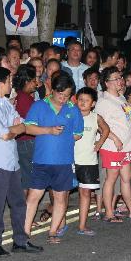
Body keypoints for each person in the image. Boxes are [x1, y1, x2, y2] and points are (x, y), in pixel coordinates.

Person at [0, 66, 42, 256]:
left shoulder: (5, 103)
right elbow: (7, 133)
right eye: (9, 80)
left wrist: (15, 129)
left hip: (11, 161)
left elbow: (22, 125)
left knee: (18, 203)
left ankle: (20, 241)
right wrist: (14, 129)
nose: (11, 83)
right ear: (0, 83)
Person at [23, 73, 84, 244]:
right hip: (41, 160)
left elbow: (78, 134)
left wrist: (63, 139)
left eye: (67, 95)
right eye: (60, 95)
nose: (63, 99)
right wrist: (48, 131)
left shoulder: (73, 109)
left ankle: (53, 232)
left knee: (60, 198)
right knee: (34, 195)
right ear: (53, 91)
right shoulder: (39, 106)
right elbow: (28, 128)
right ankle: (25, 232)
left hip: (64, 161)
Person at [96, 67, 131, 220]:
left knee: (126, 178)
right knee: (111, 178)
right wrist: (115, 138)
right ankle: (109, 213)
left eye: (120, 77)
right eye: (116, 78)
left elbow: (130, 120)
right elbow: (98, 123)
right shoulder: (104, 101)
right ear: (106, 83)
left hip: (126, 146)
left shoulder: (121, 98)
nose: (120, 81)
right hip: (113, 147)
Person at [73, 86, 110, 235]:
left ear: (93, 103)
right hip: (69, 160)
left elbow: (106, 129)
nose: (82, 103)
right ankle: (59, 225)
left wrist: (99, 143)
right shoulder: (71, 115)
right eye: (80, 99)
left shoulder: (95, 117)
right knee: (61, 193)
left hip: (88, 161)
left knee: (86, 193)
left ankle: (82, 226)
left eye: (86, 100)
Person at [12, 65, 38, 193]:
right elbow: (33, 122)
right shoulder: (25, 98)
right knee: (29, 178)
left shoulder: (19, 96)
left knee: (26, 176)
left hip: (22, 141)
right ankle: (25, 209)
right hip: (27, 141)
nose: (36, 84)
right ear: (27, 81)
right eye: (33, 81)